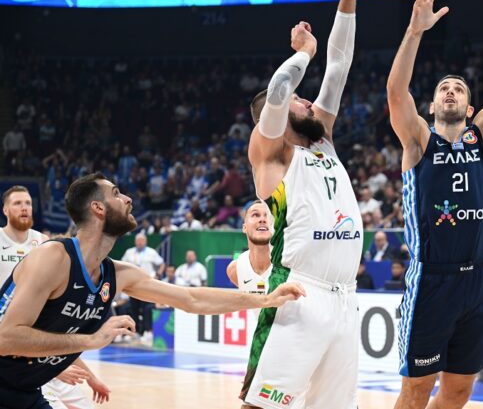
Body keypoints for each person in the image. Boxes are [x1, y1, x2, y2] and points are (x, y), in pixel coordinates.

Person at [0, 174, 304, 409]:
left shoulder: (117, 274)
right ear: (98, 208)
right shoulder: (53, 258)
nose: (128, 199)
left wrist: (265, 298)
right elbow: (6, 339)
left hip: (26, 393)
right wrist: (91, 341)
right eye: (116, 194)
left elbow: (191, 299)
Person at [386, 0, 483, 409]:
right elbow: (395, 92)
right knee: (416, 390)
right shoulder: (418, 141)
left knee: (460, 391)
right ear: (432, 105)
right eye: (444, 88)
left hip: (478, 278)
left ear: (470, 107)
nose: (451, 91)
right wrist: (414, 32)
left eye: (459, 89)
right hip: (432, 277)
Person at [241, 0, 367, 409]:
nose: (310, 101)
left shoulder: (322, 139)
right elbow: (278, 91)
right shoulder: (270, 152)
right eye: (302, 100)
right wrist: (302, 53)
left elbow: (340, 65)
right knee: (263, 404)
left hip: (345, 297)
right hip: (299, 290)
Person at [1, 186, 111, 409]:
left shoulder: (44, 243)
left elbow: (54, 332)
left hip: (39, 349)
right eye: (17, 203)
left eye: (28, 203)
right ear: (5, 209)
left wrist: (88, 376)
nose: (24, 208)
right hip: (11, 351)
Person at [120, 232, 165, 343]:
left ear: (145, 241)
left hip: (146, 284)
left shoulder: (151, 252)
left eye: (141, 241)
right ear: (135, 242)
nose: (139, 243)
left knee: (146, 308)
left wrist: (158, 274)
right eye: (138, 241)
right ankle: (135, 332)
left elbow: (162, 264)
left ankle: (146, 331)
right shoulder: (129, 252)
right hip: (132, 284)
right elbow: (122, 265)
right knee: (133, 309)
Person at [226, 201, 272, 295]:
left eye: (268, 215)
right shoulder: (235, 270)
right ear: (244, 227)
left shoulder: (291, 265)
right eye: (256, 215)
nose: (262, 219)